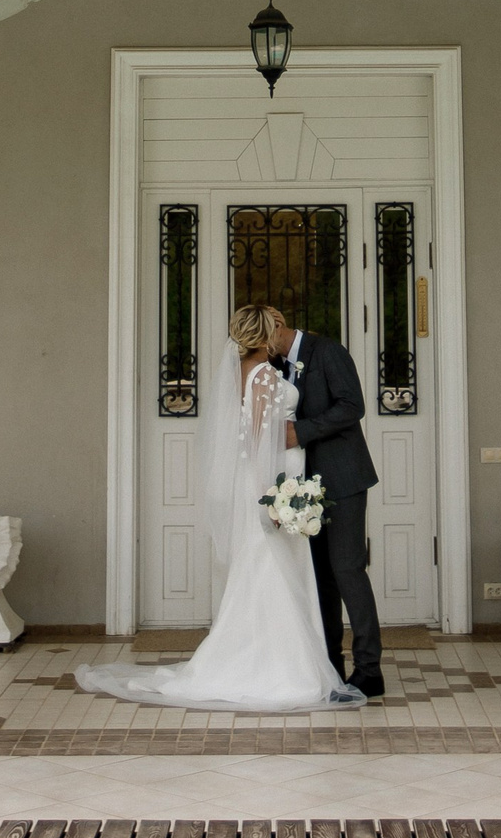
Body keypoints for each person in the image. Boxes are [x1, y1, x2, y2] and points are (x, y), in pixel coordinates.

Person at [75, 304, 363, 711]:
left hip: (276, 481)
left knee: (271, 573)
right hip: (272, 485)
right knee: (274, 573)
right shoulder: (263, 375)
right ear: (265, 335)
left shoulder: (245, 371)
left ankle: (286, 663)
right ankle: (283, 671)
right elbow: (260, 441)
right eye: (274, 329)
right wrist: (274, 498)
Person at [267, 305, 383, 699]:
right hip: (303, 488)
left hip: (344, 478)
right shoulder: (276, 365)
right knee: (321, 578)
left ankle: (370, 670)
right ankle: (332, 665)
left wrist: (300, 432)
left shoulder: (327, 351)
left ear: (279, 325)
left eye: (264, 336)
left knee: (348, 569)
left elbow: (352, 406)